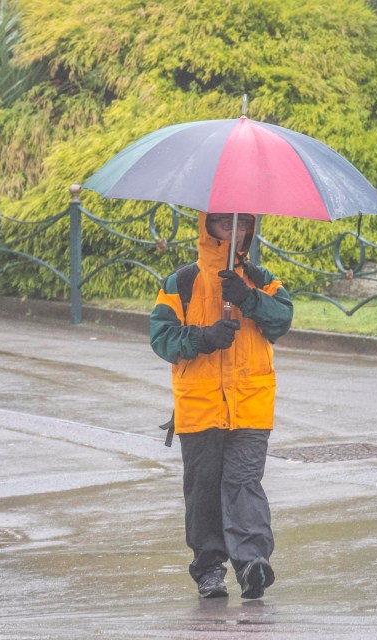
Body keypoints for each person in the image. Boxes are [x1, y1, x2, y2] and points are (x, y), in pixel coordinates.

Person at [150, 212, 293, 599]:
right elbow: (162, 338)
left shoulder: (262, 280)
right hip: (199, 406)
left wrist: (248, 299)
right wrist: (203, 338)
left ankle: (251, 563)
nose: (236, 232)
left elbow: (282, 320)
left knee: (244, 483)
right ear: (207, 225)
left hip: (251, 403)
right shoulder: (181, 282)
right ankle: (210, 568)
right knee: (204, 489)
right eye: (226, 223)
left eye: (244, 224)